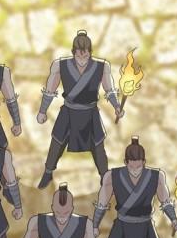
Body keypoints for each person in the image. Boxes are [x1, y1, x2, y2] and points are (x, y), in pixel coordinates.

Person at [36, 29, 122, 187]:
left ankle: (105, 177)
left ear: (90, 51)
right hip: (69, 111)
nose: (82, 57)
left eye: (85, 53)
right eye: (79, 53)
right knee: (57, 142)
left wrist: (116, 105)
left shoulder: (102, 67)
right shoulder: (59, 65)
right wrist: (42, 110)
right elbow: (50, 90)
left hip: (90, 113)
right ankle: (48, 173)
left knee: (98, 146)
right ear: (73, 51)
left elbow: (109, 89)